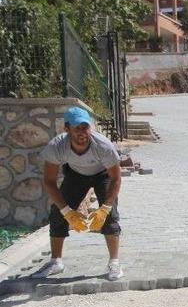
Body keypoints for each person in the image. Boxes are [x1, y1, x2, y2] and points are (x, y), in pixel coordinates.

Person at [32, 107, 123, 281]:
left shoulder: (103, 146)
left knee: (110, 216)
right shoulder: (57, 146)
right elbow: (49, 181)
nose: (82, 132)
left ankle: (114, 262)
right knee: (58, 214)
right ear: (67, 129)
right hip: (75, 174)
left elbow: (116, 179)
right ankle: (55, 262)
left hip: (103, 174)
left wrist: (104, 208)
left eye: (85, 127)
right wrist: (67, 212)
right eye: (77, 128)